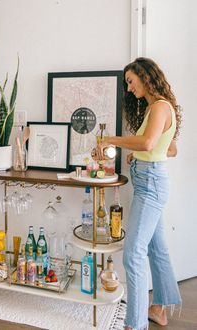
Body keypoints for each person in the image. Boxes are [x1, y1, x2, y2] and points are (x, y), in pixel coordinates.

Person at [98, 57, 182, 330]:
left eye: (131, 81)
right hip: (148, 181)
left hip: (151, 185)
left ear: (145, 77)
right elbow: (169, 148)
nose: (129, 88)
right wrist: (139, 152)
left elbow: (149, 141)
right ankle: (159, 309)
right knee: (156, 249)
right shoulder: (156, 108)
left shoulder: (159, 107)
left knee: (133, 252)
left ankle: (134, 324)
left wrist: (112, 139)